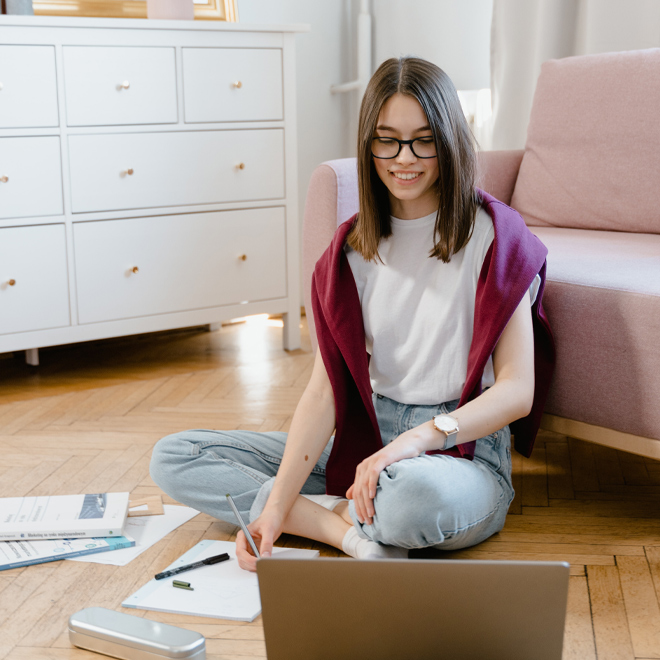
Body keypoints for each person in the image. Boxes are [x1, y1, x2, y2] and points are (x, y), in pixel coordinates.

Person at [150, 57, 554, 573]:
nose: (403, 158)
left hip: (459, 448)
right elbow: (324, 392)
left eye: (423, 139)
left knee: (413, 501)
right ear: (368, 143)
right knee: (177, 456)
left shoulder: (496, 237)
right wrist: (274, 512)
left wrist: (416, 441)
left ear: (449, 139)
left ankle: (335, 511)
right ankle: (344, 531)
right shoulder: (349, 251)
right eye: (387, 139)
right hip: (363, 436)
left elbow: (517, 391)